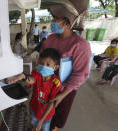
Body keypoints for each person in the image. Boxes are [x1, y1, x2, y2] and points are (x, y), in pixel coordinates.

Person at [40, 1, 91, 131]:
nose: (53, 22)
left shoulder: (80, 45)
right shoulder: (50, 39)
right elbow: (41, 59)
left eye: (56, 19)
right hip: (46, 84)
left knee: (57, 118)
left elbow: (80, 74)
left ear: (67, 23)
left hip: (65, 89)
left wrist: (63, 94)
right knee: (42, 111)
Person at [7, 48, 62, 131]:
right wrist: (24, 77)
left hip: (46, 116)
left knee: (45, 128)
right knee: (34, 125)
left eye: (48, 64)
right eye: (42, 63)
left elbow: (52, 102)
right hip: (34, 109)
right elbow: (32, 80)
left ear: (56, 67)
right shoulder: (36, 72)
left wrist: (42, 119)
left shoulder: (56, 83)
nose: (44, 67)